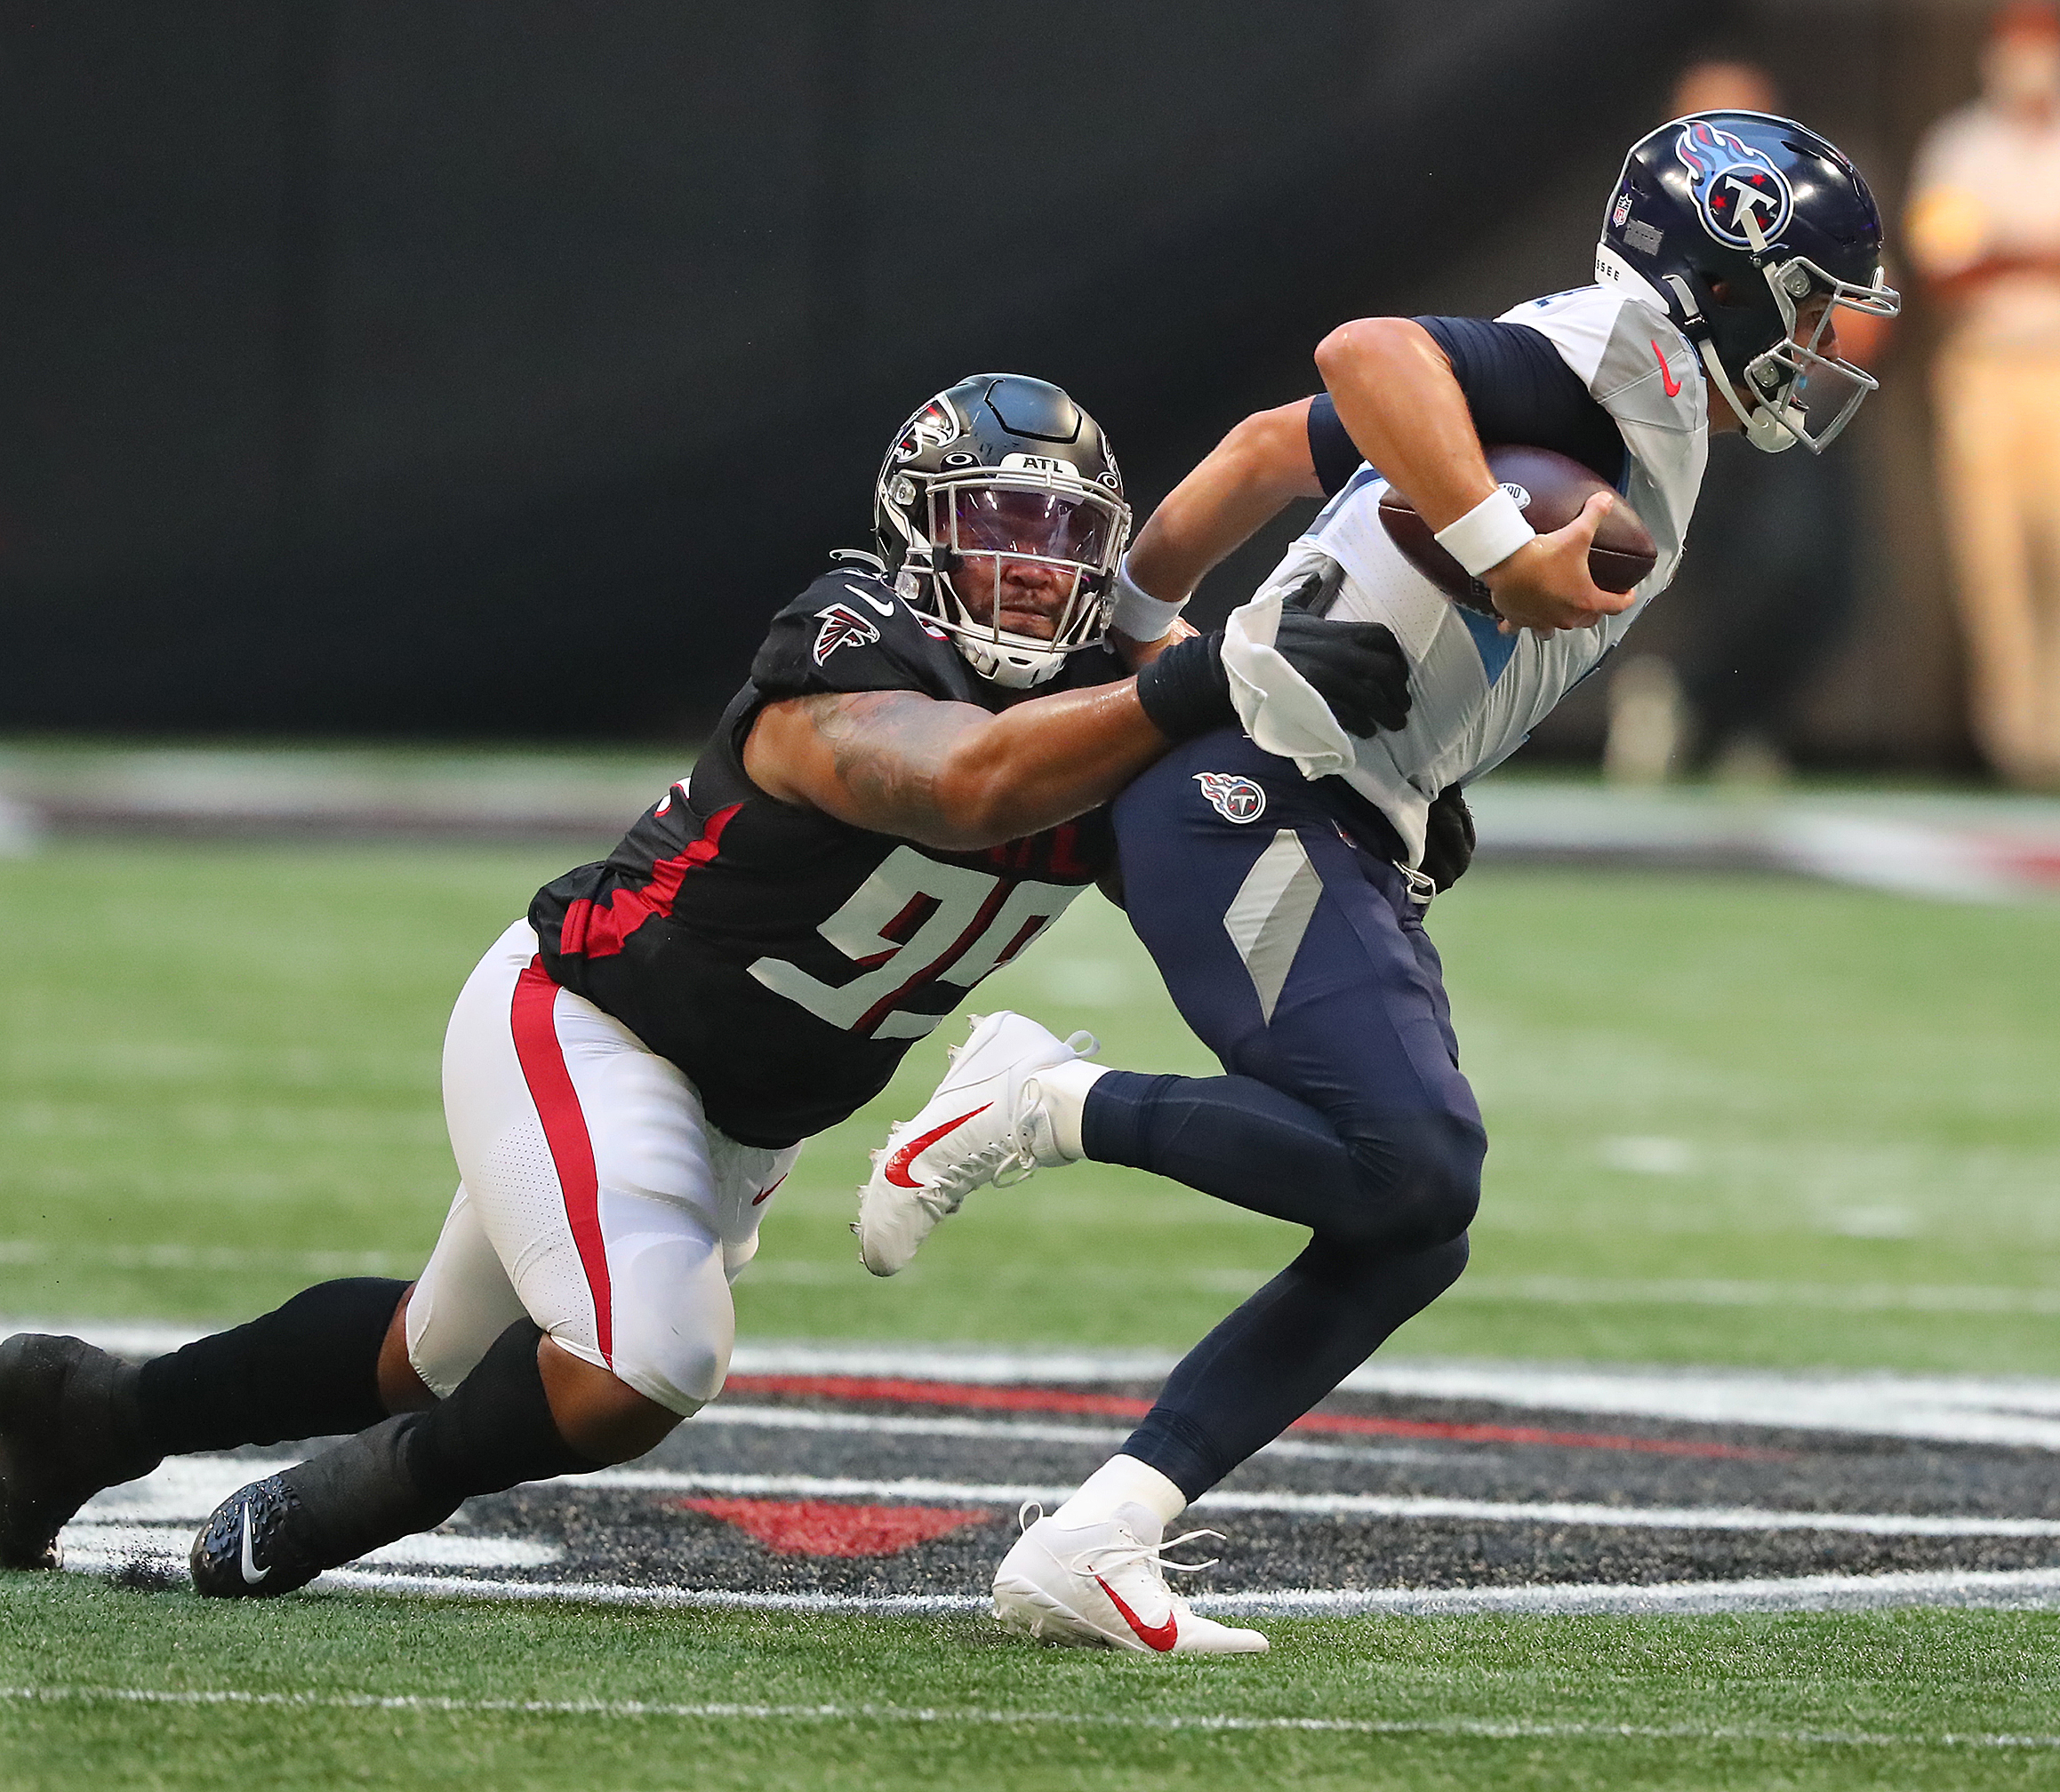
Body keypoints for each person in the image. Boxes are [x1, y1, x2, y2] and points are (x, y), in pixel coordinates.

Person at [0, 373, 1410, 1598]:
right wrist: (1223, 678)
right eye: (1001, 525)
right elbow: (966, 783)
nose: (1038, 567)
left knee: (424, 1352)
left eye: (1067, 536)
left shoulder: (1124, 702)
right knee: (646, 1358)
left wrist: (1360, 808)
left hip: (749, 1108)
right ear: (921, 534)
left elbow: (1211, 855)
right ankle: (354, 1501)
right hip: (593, 1021)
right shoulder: (855, 638)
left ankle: (91, 1412)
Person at [861, 115, 1899, 1654]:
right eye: (1806, 302)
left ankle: (1105, 1526)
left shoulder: (1636, 397)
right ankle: (1033, 1099)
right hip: (1253, 791)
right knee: (1410, 1161)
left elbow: (1270, 453)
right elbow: (1363, 356)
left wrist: (1155, 630)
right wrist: (1489, 546)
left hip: (1327, 795)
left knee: (1415, 1219)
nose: (1817, 343)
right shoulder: (1635, 353)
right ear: (1726, 275)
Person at [1606, 57, 1896, 785]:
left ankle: (1733, 715)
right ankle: (1701, 706)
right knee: (1730, 568)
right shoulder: (1661, 217)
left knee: (1822, 578)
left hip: (1789, 401)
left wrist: (1808, 342)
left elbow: (1862, 312)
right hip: (1701, 401)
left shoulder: (1806, 202)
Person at [1908, 0, 2060, 789]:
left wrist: (2008, 251)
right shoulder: (1961, 146)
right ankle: (2019, 749)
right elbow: (1943, 265)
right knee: (1994, 560)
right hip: (1986, 370)